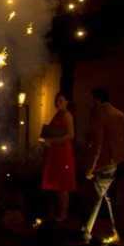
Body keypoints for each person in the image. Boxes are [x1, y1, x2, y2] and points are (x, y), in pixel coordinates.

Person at [81, 87, 124, 243]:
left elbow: (97, 144)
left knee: (94, 197)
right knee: (112, 196)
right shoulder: (120, 114)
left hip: (105, 162)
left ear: (97, 100)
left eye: (92, 100)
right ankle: (121, 232)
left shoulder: (100, 115)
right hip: (119, 160)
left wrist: (90, 167)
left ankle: (84, 232)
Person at [39, 92, 77, 223]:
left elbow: (71, 134)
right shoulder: (58, 114)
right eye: (56, 100)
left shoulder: (67, 115)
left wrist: (53, 139)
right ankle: (60, 212)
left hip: (62, 150)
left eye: (60, 100)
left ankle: (64, 214)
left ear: (66, 101)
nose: (57, 103)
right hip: (56, 150)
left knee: (63, 184)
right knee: (58, 183)